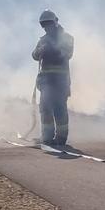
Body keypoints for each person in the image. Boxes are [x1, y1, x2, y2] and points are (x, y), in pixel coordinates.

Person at [32, 10, 74, 148]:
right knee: (45, 109)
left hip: (60, 82)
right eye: (44, 25)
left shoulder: (67, 38)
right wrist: (40, 51)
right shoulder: (43, 40)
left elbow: (67, 54)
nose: (46, 27)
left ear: (55, 22)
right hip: (46, 82)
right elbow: (34, 55)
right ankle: (47, 137)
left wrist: (53, 49)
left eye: (48, 24)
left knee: (59, 108)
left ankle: (61, 138)